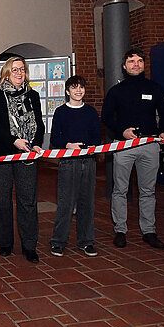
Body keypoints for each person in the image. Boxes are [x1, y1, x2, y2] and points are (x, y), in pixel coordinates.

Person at [101, 48, 164, 249]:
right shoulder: (116, 91)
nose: (136, 64)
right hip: (124, 146)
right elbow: (106, 117)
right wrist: (122, 132)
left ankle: (149, 231)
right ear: (124, 66)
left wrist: (163, 131)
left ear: (144, 64)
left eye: (140, 61)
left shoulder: (155, 88)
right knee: (120, 190)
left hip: (149, 145)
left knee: (147, 191)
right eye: (131, 61)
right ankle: (120, 230)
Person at [0, 56, 45, 263]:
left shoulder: (33, 96)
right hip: (2, 153)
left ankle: (29, 245)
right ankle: (5, 243)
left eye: (22, 69)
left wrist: (36, 143)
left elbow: (39, 123)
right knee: (1, 200)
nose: (19, 73)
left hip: (28, 154)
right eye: (15, 69)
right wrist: (14, 142)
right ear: (6, 73)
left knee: (27, 201)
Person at [48, 75, 101, 257]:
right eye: (74, 88)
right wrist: (68, 145)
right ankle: (58, 241)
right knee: (66, 203)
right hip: (68, 162)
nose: (78, 91)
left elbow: (97, 136)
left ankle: (86, 241)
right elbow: (55, 138)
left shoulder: (91, 112)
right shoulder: (61, 112)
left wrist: (89, 147)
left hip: (88, 161)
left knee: (87, 203)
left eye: (81, 88)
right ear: (67, 91)